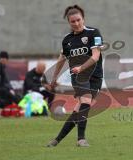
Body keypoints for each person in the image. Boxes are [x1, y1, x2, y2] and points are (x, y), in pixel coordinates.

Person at [47, 4, 103, 147]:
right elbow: (61, 59)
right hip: (79, 76)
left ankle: (56, 140)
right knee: (86, 101)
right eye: (73, 21)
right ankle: (81, 139)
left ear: (83, 19)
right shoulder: (67, 40)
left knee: (80, 108)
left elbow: (96, 56)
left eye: (78, 20)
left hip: (95, 76)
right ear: (69, 22)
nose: (76, 23)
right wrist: (54, 78)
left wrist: (82, 67)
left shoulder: (93, 33)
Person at [0, 51, 21, 115]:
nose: (5, 61)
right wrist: (9, 90)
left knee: (16, 96)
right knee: (12, 97)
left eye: (6, 59)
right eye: (3, 59)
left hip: (3, 89)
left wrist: (10, 89)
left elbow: (6, 82)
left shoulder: (2, 68)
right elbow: (1, 83)